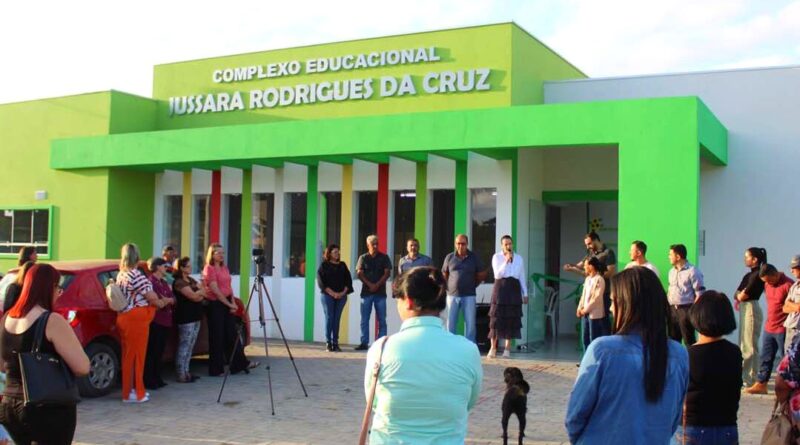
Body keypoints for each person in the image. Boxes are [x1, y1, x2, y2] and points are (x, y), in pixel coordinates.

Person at [566, 267, 689, 444]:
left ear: (628, 305)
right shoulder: (679, 354)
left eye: (612, 302)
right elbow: (674, 419)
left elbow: (575, 416)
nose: (610, 309)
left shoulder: (602, 351)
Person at [364, 266, 482, 443]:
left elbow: (374, 403)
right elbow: (468, 402)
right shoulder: (468, 350)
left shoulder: (381, 349)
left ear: (409, 302)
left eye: (398, 299)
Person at [0, 264, 90, 444]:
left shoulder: (7, 318)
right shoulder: (51, 321)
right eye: (58, 288)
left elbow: (2, 365)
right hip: (46, 408)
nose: (59, 293)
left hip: (9, 405)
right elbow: (82, 367)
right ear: (50, 288)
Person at [674, 290, 742, 445]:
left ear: (697, 317)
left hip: (694, 428)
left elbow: (679, 399)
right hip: (727, 427)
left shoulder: (687, 355)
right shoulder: (734, 352)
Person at [115, 243, 163, 403]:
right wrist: (162, 301)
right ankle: (138, 392)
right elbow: (152, 297)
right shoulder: (136, 275)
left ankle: (128, 391)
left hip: (123, 316)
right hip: (136, 318)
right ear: (137, 257)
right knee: (138, 356)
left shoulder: (121, 274)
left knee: (128, 356)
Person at [203, 243, 257, 376]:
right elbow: (215, 289)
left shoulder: (224, 268)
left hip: (227, 301)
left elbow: (228, 286)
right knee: (217, 337)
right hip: (216, 304)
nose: (221, 255)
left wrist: (233, 302)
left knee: (232, 335)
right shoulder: (209, 269)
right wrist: (228, 304)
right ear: (212, 254)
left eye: (222, 253)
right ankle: (216, 370)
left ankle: (238, 365)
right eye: (218, 253)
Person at [745, 263, 792, 394]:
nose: (768, 284)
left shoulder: (788, 285)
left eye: (770, 280)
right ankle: (761, 384)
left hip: (783, 329)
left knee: (786, 360)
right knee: (765, 358)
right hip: (769, 327)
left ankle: (788, 386)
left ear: (775, 274)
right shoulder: (767, 284)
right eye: (766, 282)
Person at [488, 235, 528, 358]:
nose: (508, 246)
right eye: (505, 244)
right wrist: (506, 260)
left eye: (510, 244)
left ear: (513, 244)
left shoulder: (519, 259)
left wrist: (525, 293)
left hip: (514, 288)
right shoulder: (497, 257)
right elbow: (497, 274)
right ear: (502, 246)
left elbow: (521, 276)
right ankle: (493, 348)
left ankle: (507, 349)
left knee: (511, 318)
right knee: (496, 318)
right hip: (501, 287)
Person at [442, 234, 486, 344]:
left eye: (463, 243)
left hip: (469, 295)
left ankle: (470, 347)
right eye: (458, 243)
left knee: (470, 323)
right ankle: (449, 346)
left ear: (467, 244)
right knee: (451, 323)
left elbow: (481, 274)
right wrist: (449, 286)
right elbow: (444, 274)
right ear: (455, 244)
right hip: (452, 295)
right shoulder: (449, 257)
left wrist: (473, 284)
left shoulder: (474, 257)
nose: (460, 246)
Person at [735, 247, 767, 387]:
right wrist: (739, 295)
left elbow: (743, 295)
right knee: (743, 342)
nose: (745, 259)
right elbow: (736, 293)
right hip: (744, 308)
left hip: (751, 308)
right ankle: (745, 376)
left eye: (747, 256)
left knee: (750, 344)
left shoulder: (758, 275)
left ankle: (751, 378)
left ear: (755, 259)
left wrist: (740, 295)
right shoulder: (747, 276)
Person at [143, 257, 176, 390]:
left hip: (166, 319)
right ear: (157, 267)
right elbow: (157, 301)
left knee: (160, 351)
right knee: (153, 351)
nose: (165, 268)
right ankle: (149, 379)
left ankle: (157, 377)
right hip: (156, 320)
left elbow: (172, 298)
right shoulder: (151, 282)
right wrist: (167, 300)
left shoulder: (163, 282)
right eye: (163, 266)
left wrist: (168, 300)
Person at [355, 235, 392, 351]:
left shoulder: (384, 257)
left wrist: (377, 285)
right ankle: (364, 342)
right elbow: (359, 273)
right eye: (373, 244)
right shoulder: (363, 258)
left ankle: (381, 343)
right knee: (364, 319)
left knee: (382, 319)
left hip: (380, 294)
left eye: (377, 243)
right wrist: (370, 284)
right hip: (366, 293)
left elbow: (387, 273)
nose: (375, 246)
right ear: (368, 245)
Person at [172, 256, 206, 383]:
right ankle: (181, 373)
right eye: (188, 266)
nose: (190, 268)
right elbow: (192, 296)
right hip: (185, 317)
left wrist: (199, 294)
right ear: (181, 268)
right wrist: (199, 294)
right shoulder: (179, 282)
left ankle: (187, 371)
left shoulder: (191, 280)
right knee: (184, 345)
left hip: (196, 316)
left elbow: (203, 292)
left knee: (191, 345)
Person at [317, 244, 353, 352]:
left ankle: (335, 343)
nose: (338, 254)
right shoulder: (324, 266)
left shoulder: (342, 265)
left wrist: (342, 293)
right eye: (335, 252)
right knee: (329, 318)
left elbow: (348, 281)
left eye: (338, 252)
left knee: (337, 319)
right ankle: (328, 342)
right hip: (328, 296)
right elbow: (321, 283)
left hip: (341, 296)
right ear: (329, 254)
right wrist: (333, 293)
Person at [667, 244, 704, 346]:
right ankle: (675, 362)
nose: (669, 257)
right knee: (673, 342)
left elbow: (700, 293)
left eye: (670, 254)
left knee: (689, 340)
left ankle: (692, 361)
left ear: (678, 257)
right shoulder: (671, 272)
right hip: (672, 310)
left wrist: (692, 311)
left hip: (686, 309)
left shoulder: (693, 271)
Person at [576, 257, 607, 352]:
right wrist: (579, 308)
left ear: (591, 266)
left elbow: (596, 298)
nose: (584, 267)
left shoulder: (599, 279)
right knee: (585, 339)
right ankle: (586, 359)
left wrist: (585, 310)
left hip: (594, 315)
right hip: (584, 314)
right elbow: (583, 296)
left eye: (586, 265)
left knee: (593, 338)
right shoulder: (588, 279)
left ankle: (594, 359)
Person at [782, 255, 800, 353]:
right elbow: (784, 308)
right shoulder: (794, 286)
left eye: (794, 268)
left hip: (798, 328)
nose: (791, 271)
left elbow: (799, 307)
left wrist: (790, 304)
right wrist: (792, 305)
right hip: (790, 326)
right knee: (788, 358)